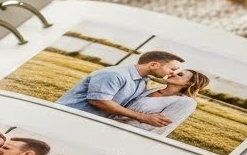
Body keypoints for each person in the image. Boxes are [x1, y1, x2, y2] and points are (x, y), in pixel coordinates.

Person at [56, 49, 184, 125]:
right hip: (65, 118)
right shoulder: (115, 74)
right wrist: (144, 118)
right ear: (154, 65)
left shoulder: (142, 81)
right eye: (172, 69)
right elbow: (98, 101)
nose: (173, 73)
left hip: (85, 122)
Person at [117, 66, 210, 135]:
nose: (173, 73)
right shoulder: (151, 88)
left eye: (179, 75)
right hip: (111, 123)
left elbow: (161, 126)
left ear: (189, 83)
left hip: (131, 135)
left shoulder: (185, 102)